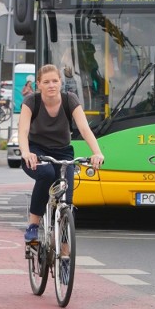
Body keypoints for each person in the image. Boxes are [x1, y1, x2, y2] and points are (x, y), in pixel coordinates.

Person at [19, 64, 104, 242]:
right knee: (47, 174)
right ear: (39, 84)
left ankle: (64, 254)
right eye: (46, 82)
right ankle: (33, 225)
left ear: (60, 83)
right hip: (36, 151)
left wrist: (97, 152)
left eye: (55, 81)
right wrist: (26, 152)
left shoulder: (69, 100)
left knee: (67, 198)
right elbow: (23, 131)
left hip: (63, 152)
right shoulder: (31, 102)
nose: (51, 85)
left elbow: (84, 128)